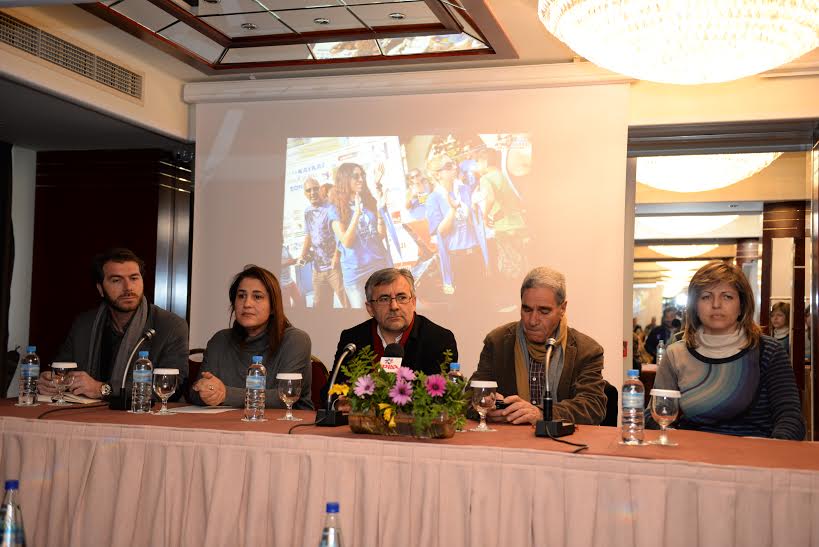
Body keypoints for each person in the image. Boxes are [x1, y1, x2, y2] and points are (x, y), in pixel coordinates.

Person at [650, 261, 804, 440]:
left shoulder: (768, 351)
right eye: (706, 297)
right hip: (693, 451)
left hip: (754, 453)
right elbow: (655, 414)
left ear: (742, 305)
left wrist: (772, 449)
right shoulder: (676, 353)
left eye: (727, 297)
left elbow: (790, 419)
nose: (716, 304)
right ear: (695, 306)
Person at [37, 248, 189, 400]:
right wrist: (51, 381)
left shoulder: (170, 326)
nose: (128, 288)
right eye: (116, 280)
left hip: (143, 413)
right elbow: (62, 369)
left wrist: (103, 389)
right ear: (100, 289)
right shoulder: (84, 324)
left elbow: (171, 387)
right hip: (88, 411)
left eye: (134, 278)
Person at [471, 266, 607, 425]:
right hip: (509, 438)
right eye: (527, 309)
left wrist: (543, 414)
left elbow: (592, 406)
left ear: (562, 308)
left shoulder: (587, 350)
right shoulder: (498, 342)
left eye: (544, 311)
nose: (532, 320)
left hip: (562, 439)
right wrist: (485, 406)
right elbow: (467, 398)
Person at [321, 268, 458, 401]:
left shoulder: (439, 339)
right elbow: (331, 391)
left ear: (413, 302)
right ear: (370, 308)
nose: (394, 306)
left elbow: (442, 399)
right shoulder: (353, 339)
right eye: (384, 299)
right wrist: (338, 403)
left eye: (402, 297)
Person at [191, 265, 313, 409]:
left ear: (273, 307)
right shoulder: (220, 340)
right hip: (228, 422)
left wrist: (226, 394)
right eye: (241, 296)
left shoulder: (295, 340)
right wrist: (205, 391)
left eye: (257, 297)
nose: (247, 304)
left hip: (285, 422)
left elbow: (285, 396)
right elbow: (195, 393)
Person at [329, 162, 391, 308]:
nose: (361, 179)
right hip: (356, 275)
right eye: (355, 176)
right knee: (362, 318)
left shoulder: (368, 201)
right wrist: (356, 213)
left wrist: (380, 211)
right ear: (345, 179)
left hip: (378, 267)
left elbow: (380, 235)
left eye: (362, 175)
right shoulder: (335, 209)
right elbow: (347, 242)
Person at [425, 154, 484, 297]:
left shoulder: (464, 190)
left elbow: (473, 221)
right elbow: (441, 231)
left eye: (453, 163)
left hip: (475, 252)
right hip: (456, 259)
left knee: (482, 300)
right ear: (437, 175)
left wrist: (477, 207)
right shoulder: (433, 198)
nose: (454, 167)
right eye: (448, 166)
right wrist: (452, 209)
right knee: (463, 302)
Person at [299, 177, 350, 309]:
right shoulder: (307, 212)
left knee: (347, 306)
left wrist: (336, 256)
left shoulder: (330, 208)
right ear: (305, 193)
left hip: (335, 268)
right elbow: (309, 235)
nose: (312, 192)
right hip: (317, 270)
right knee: (320, 309)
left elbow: (341, 235)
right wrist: (302, 255)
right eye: (309, 190)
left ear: (320, 189)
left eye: (315, 188)